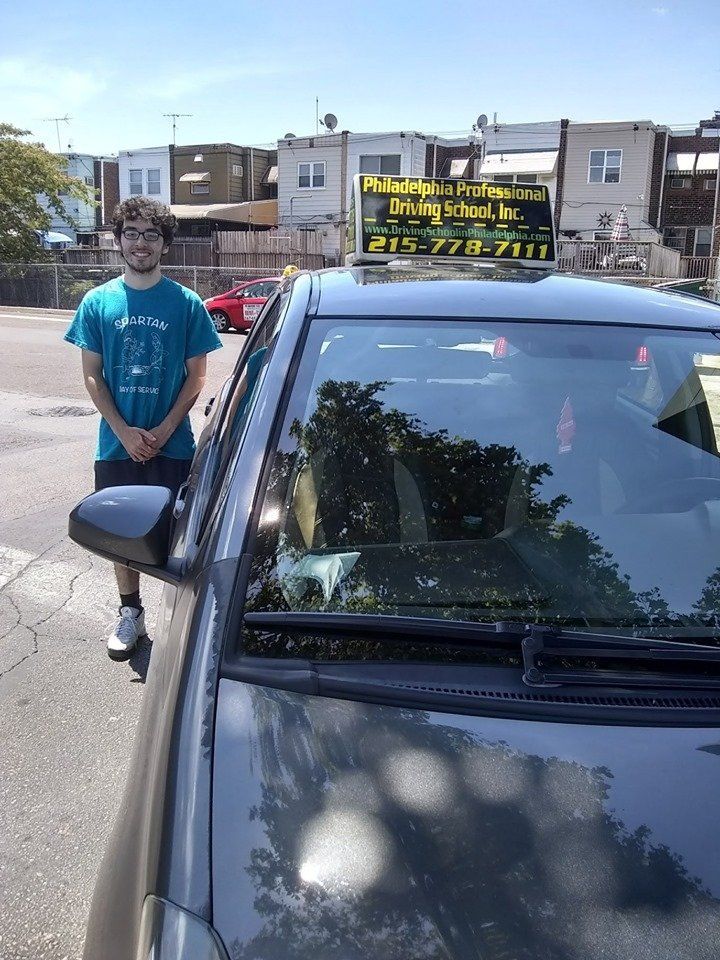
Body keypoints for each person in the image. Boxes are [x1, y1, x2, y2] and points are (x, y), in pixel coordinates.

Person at [64, 197, 222, 660]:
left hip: (173, 445)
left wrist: (165, 427)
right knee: (121, 534)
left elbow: (197, 375)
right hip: (116, 446)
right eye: (131, 232)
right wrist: (126, 432)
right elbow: (93, 374)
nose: (140, 242)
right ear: (118, 240)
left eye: (152, 234)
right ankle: (131, 612)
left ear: (165, 245)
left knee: (180, 534)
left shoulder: (186, 303)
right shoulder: (98, 302)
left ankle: (183, 618)